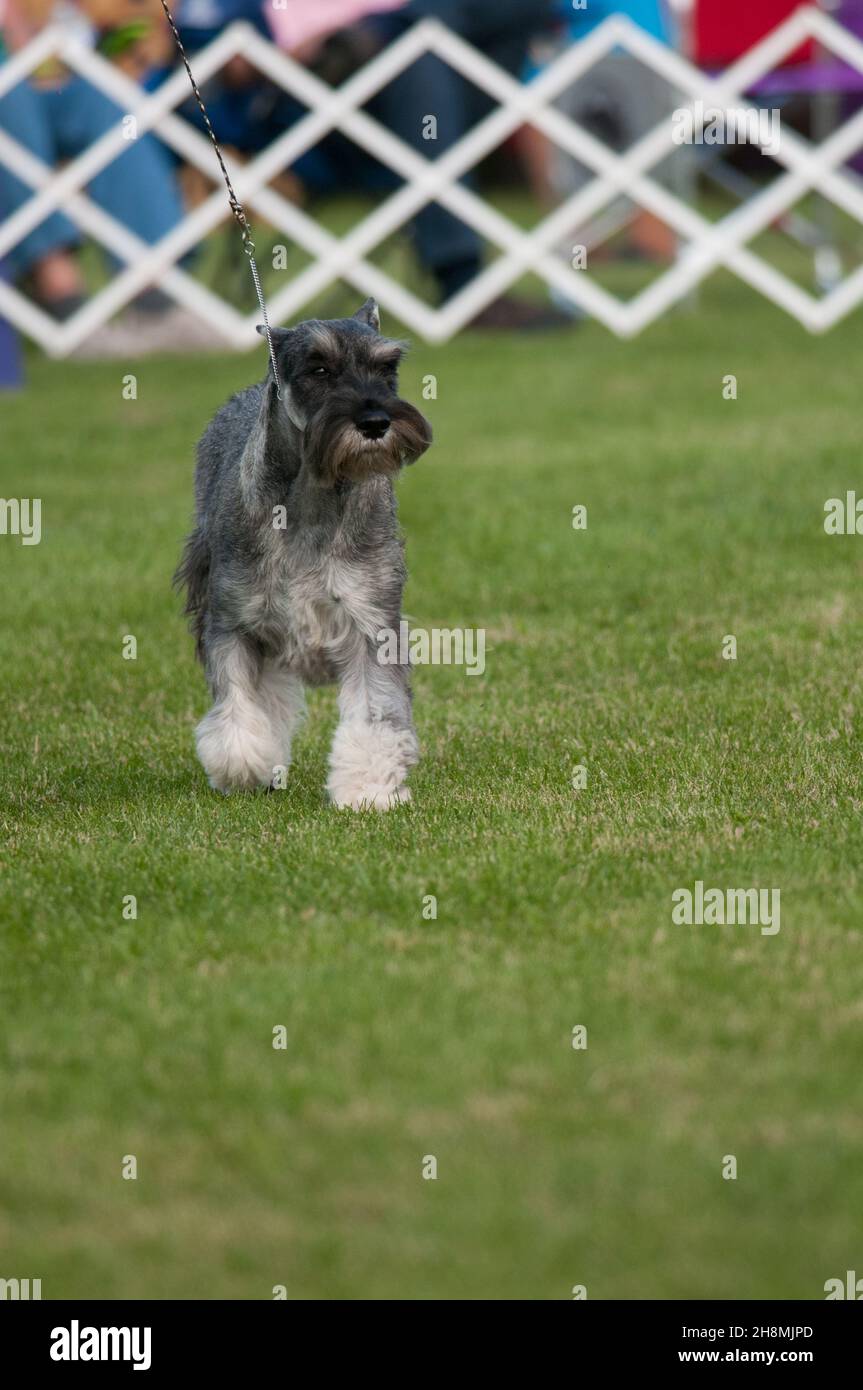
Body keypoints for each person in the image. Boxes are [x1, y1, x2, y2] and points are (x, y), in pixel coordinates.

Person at [0, 0, 219, 353]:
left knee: (103, 96)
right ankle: (60, 292)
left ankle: (154, 295)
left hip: (42, 78)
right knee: (9, 103)